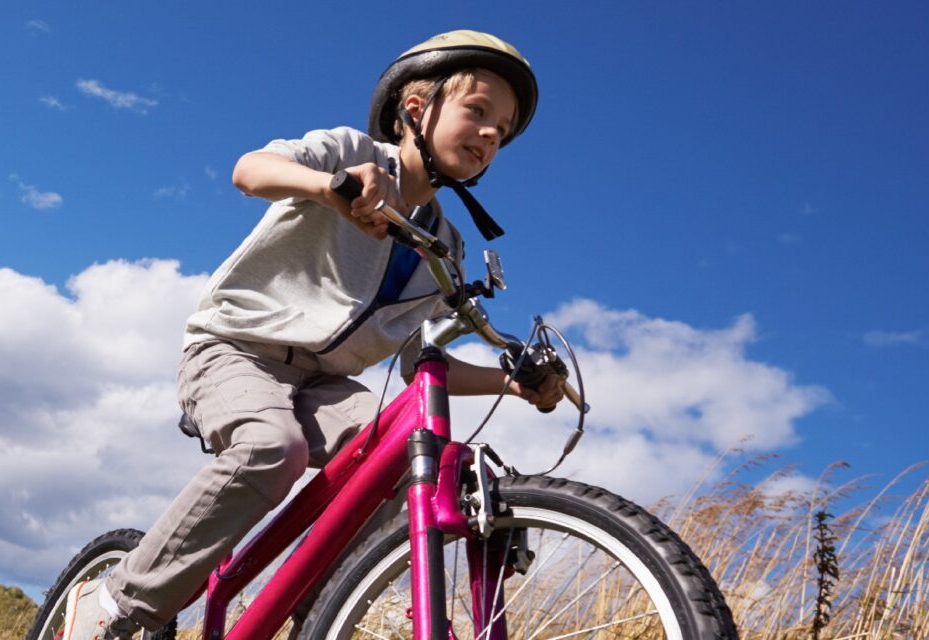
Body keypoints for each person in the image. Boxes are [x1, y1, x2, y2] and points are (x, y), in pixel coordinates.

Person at [55, 30, 564, 639]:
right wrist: (332, 188)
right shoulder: (352, 153)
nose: (490, 134)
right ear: (415, 108)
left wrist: (512, 383)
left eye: (501, 130)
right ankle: (114, 604)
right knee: (273, 448)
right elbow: (250, 171)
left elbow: (422, 367)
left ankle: (321, 613)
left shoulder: (445, 249)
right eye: (477, 111)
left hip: (325, 384)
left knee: (405, 461)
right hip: (235, 350)